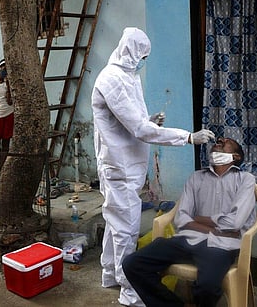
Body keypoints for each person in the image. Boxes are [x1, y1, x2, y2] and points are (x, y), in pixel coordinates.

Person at [91, 27, 215, 306]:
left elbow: (132, 122)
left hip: (127, 165)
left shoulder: (127, 76)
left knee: (116, 224)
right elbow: (137, 129)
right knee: (125, 229)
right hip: (119, 166)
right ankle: (130, 290)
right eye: (143, 55)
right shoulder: (112, 79)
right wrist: (187, 137)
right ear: (131, 51)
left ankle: (111, 274)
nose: (144, 60)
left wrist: (149, 120)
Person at [122, 137, 257, 307]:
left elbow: (235, 222)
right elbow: (182, 218)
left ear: (236, 157)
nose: (219, 140)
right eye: (218, 141)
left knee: (207, 287)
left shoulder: (246, 180)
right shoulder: (196, 178)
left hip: (222, 246)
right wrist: (213, 229)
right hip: (186, 240)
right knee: (132, 264)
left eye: (225, 142)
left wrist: (197, 219)